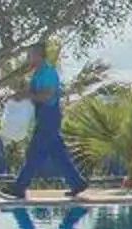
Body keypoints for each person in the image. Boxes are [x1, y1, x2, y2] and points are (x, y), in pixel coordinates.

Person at [11, 53, 88, 198]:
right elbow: (34, 93)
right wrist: (21, 94)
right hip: (42, 116)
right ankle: (77, 183)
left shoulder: (48, 72)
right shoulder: (37, 73)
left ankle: (19, 186)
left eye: (30, 56)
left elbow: (46, 95)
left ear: (38, 56)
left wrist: (27, 96)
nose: (28, 59)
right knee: (58, 154)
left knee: (34, 152)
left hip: (49, 116)